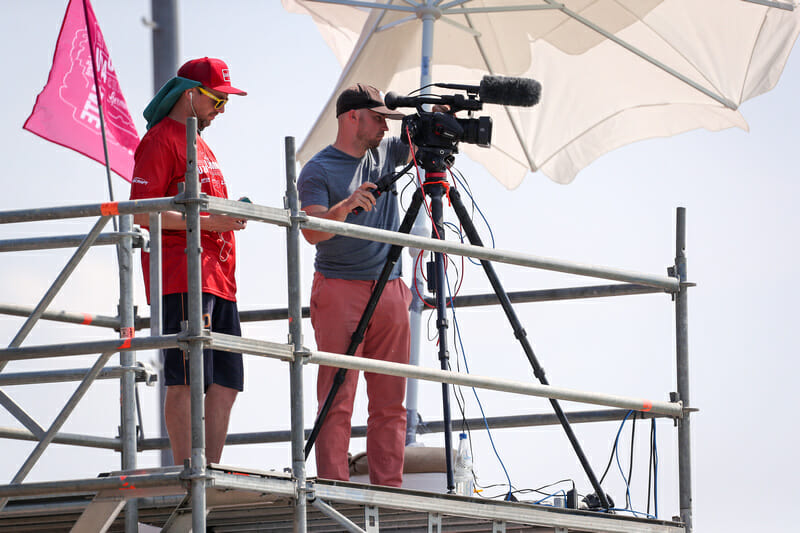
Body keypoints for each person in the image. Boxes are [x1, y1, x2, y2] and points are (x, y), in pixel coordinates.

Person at [129, 57, 247, 465]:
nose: (221, 111)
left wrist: (226, 215)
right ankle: (187, 473)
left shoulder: (200, 142)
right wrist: (213, 219)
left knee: (227, 382)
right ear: (190, 94)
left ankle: (207, 472)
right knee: (185, 380)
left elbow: (201, 210)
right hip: (181, 276)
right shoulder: (161, 140)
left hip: (218, 278)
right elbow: (141, 212)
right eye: (218, 100)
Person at [298, 83, 412, 487]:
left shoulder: (387, 150)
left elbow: (423, 143)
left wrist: (442, 114)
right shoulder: (317, 169)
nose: (385, 126)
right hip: (340, 289)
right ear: (353, 117)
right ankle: (335, 489)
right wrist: (346, 208)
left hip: (390, 287)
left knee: (390, 402)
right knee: (337, 398)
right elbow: (311, 231)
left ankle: (389, 490)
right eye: (378, 117)